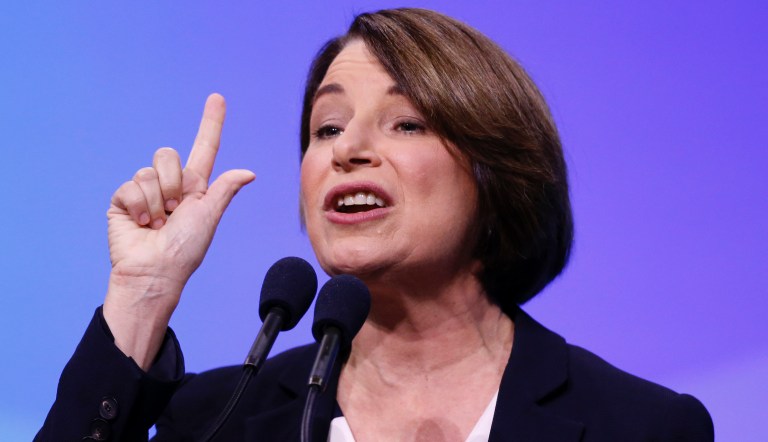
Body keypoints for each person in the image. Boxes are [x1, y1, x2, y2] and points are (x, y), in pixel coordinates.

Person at [36, 8, 713, 442]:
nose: (346, 149)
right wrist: (143, 292)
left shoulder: (645, 426)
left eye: (408, 122)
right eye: (326, 127)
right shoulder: (216, 421)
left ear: (496, 170)